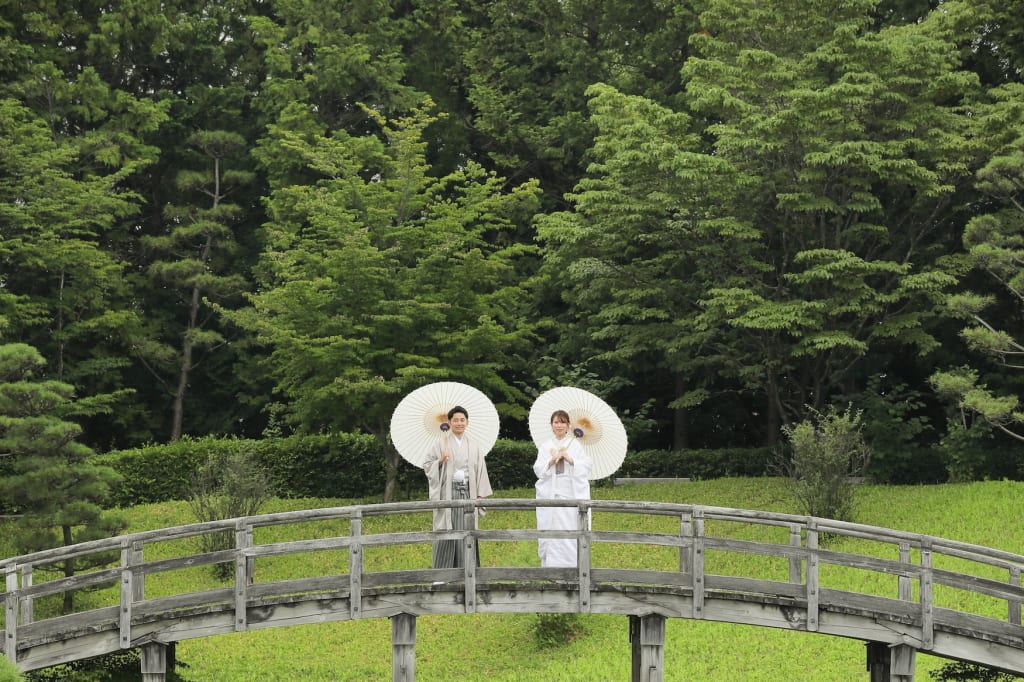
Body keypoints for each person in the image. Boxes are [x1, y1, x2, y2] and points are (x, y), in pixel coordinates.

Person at [423, 405, 493, 569]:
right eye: (455, 420)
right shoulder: (441, 443)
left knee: (467, 529)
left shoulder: (474, 445)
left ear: (467, 422)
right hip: (449, 492)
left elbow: (481, 469)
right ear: (449, 422)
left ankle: (468, 569)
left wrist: (480, 495)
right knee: (446, 528)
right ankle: (443, 573)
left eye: (462, 420)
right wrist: (440, 460)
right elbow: (427, 465)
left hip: (469, 492)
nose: (459, 423)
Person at [533, 409, 593, 568]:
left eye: (562, 422)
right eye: (556, 422)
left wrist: (571, 459)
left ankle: (572, 566)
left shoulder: (576, 445)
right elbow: (538, 470)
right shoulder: (546, 446)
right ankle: (550, 567)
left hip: (570, 494)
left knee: (570, 529)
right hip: (550, 494)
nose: (559, 425)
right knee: (550, 528)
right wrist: (551, 461)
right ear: (551, 425)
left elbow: (586, 466)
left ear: (568, 425)